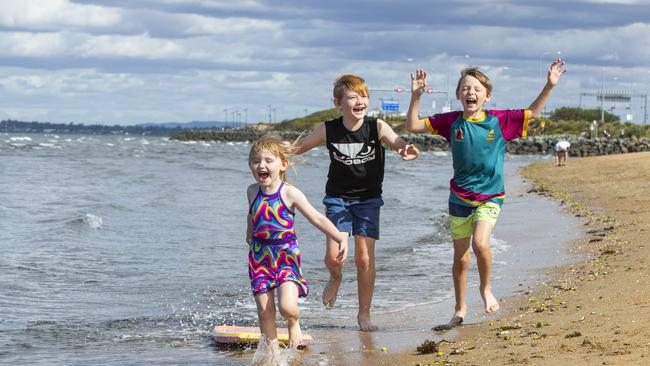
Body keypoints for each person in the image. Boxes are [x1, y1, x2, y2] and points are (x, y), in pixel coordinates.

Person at [406, 59, 566, 331]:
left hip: (491, 196)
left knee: (480, 245)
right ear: (458, 95)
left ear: (487, 95)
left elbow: (533, 112)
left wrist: (549, 85)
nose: (471, 92)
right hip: (459, 198)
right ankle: (459, 308)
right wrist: (416, 95)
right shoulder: (449, 122)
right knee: (460, 258)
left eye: (477, 88)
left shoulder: (499, 121)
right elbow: (412, 126)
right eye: (466, 88)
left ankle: (486, 288)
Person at [294, 74, 420, 331]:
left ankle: (364, 314)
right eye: (353, 96)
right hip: (338, 198)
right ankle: (335, 278)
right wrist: (273, 154)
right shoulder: (329, 129)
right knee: (334, 257)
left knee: (364, 259)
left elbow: (398, 143)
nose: (360, 100)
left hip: (368, 199)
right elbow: (300, 147)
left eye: (363, 95)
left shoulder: (377, 127)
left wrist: (407, 149)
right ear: (338, 103)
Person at [247, 135, 348, 354]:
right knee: (265, 310)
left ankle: (293, 322)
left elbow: (317, 218)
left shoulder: (289, 193)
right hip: (259, 256)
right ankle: (271, 354)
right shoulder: (252, 191)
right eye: (256, 161)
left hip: (285, 256)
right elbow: (252, 215)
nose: (261, 165)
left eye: (268, 160)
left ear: (283, 164)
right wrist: (249, 235)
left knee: (287, 307)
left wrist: (339, 237)